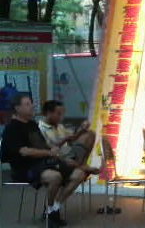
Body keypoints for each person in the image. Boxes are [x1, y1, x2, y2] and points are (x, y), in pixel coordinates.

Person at [0, 94, 88, 227]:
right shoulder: (12, 129)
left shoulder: (32, 125)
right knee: (55, 177)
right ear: (17, 108)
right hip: (24, 169)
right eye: (28, 104)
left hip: (43, 164)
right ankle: (52, 214)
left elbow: (43, 145)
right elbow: (24, 151)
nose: (32, 106)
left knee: (79, 174)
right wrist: (48, 152)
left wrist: (54, 150)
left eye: (31, 103)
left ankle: (53, 208)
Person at [38, 100, 100, 175]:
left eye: (62, 114)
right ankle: (82, 167)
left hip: (69, 153)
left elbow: (73, 137)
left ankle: (82, 164)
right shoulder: (40, 129)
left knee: (90, 134)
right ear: (49, 113)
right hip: (57, 158)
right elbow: (50, 149)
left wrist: (82, 128)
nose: (61, 117)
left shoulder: (60, 126)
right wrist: (64, 140)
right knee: (64, 158)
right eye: (58, 114)